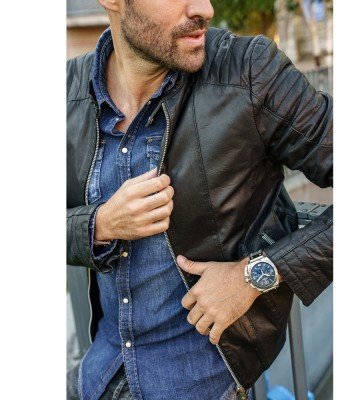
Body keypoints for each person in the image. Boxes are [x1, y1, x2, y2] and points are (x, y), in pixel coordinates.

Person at [66, 0, 333, 399]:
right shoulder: (67, 91)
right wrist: (98, 224)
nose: (205, 8)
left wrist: (255, 275)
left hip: (204, 383)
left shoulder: (249, 71)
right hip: (98, 377)